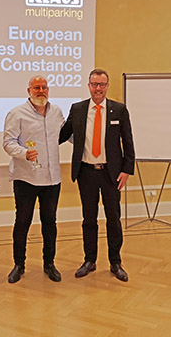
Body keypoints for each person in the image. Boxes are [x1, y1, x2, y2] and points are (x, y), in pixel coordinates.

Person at [59, 69, 135, 282]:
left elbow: (128, 141)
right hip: (86, 173)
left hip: (111, 174)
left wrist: (126, 170)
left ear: (107, 86)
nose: (98, 88)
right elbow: (62, 135)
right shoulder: (78, 109)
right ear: (89, 85)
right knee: (89, 219)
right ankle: (89, 260)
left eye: (102, 84)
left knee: (113, 219)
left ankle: (115, 262)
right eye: (94, 84)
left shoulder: (119, 110)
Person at [3, 76, 65, 284]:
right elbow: (8, 142)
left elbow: (67, 135)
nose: (41, 91)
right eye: (36, 87)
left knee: (50, 223)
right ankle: (19, 264)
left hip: (52, 178)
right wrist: (23, 152)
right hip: (26, 178)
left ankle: (49, 264)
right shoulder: (16, 113)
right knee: (22, 223)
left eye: (44, 87)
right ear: (28, 90)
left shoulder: (57, 112)